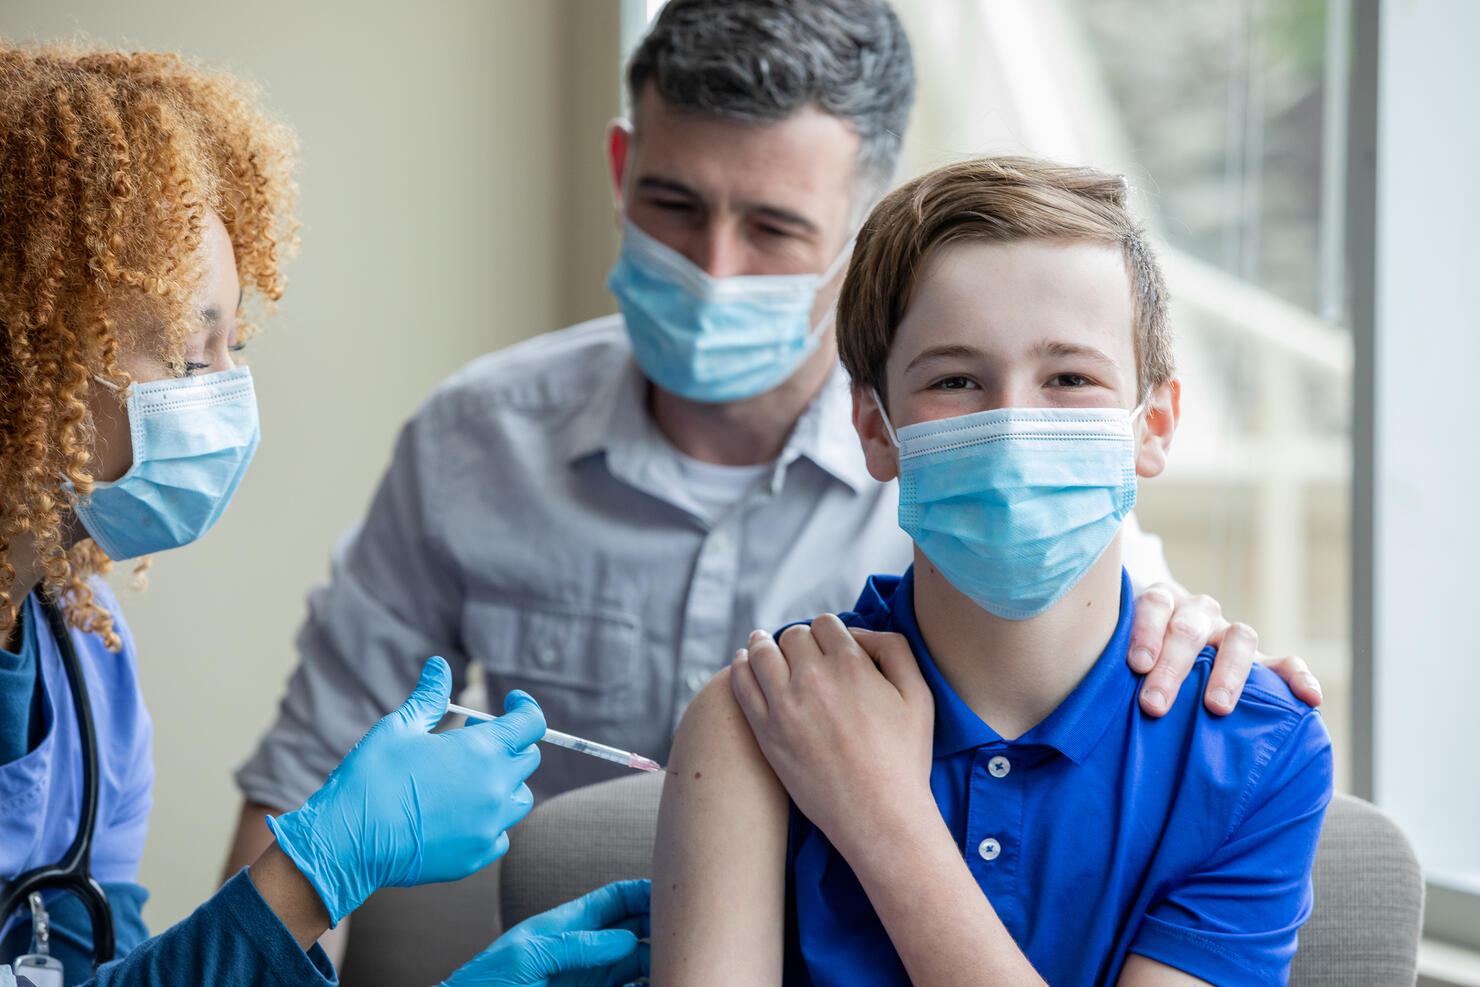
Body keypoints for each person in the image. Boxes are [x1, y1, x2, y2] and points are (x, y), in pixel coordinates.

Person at [226, 0, 1324, 898]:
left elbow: (1134, 644)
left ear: (861, 225)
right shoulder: (476, 438)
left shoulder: (983, 471)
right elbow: (305, 789)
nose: (713, 267)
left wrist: (1198, 629)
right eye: (671, 203)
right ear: (619, 167)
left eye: (775, 227)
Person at [0, 42, 647, 986]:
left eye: (236, 343)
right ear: (27, 369)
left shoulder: (86, 657)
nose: (230, 393)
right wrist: (317, 867)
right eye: (188, 356)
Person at [652, 156, 1336, 985]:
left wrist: (884, 815)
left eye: (1071, 377)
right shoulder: (760, 719)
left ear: (1153, 423)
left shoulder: (1254, 748)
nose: (1014, 426)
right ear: (875, 428)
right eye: (956, 379)